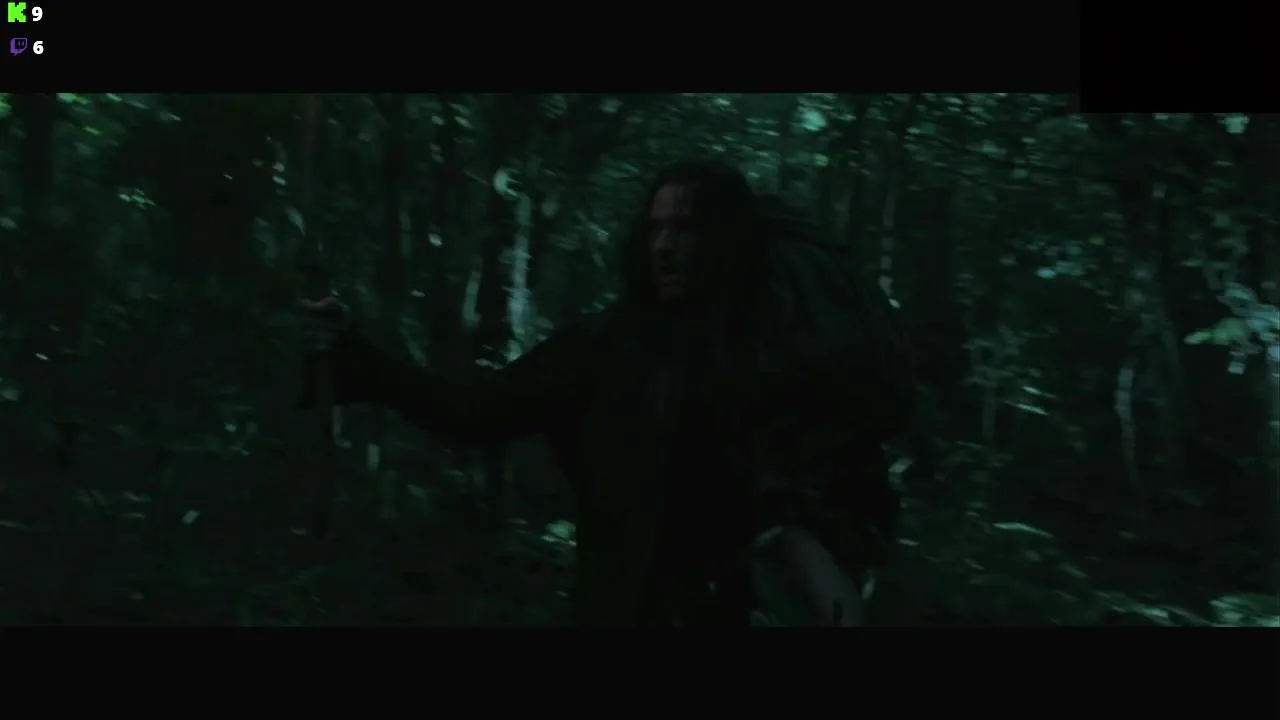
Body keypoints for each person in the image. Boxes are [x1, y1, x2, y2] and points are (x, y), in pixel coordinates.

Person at [299, 160, 915, 626]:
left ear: (726, 239)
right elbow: (473, 413)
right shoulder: (607, 346)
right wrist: (352, 353)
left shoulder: (773, 360)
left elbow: (830, 507)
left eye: (686, 229)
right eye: (656, 229)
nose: (665, 246)